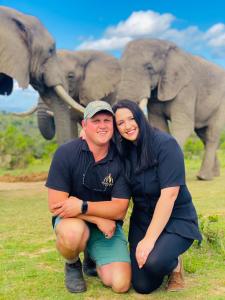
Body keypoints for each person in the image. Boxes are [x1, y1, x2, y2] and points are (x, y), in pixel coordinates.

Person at [112, 99, 202, 294]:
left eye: (131, 118)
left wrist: (149, 241)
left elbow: (169, 195)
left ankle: (175, 263)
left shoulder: (166, 144)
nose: (127, 126)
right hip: (143, 219)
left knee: (154, 262)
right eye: (120, 123)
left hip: (175, 219)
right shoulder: (123, 151)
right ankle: (162, 258)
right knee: (142, 286)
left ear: (140, 117)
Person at [46, 100, 131, 294]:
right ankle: (72, 263)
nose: (102, 126)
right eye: (96, 120)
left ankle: (92, 258)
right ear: (84, 125)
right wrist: (96, 217)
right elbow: (55, 205)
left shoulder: (121, 160)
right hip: (72, 220)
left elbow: (119, 210)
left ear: (114, 126)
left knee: (120, 284)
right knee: (73, 235)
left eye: (107, 121)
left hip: (107, 226)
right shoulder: (66, 153)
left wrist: (82, 206)